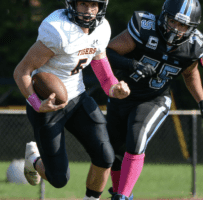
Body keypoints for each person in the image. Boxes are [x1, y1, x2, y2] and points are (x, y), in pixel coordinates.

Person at [13, 0, 130, 200]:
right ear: (72, 4)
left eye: (94, 5)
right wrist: (36, 103)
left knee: (105, 157)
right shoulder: (58, 30)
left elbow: (102, 68)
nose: (89, 10)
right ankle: (34, 158)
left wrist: (114, 88)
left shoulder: (101, 29)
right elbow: (21, 71)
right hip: (48, 104)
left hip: (77, 97)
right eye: (83, 4)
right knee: (59, 179)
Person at [105, 0, 203, 199]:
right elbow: (109, 52)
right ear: (164, 16)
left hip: (154, 98)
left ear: (192, 28)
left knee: (136, 137)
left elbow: (190, 74)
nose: (176, 28)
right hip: (122, 94)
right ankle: (121, 194)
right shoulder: (145, 28)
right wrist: (133, 64)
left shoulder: (193, 46)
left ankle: (122, 196)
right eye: (173, 21)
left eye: (183, 25)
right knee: (114, 151)